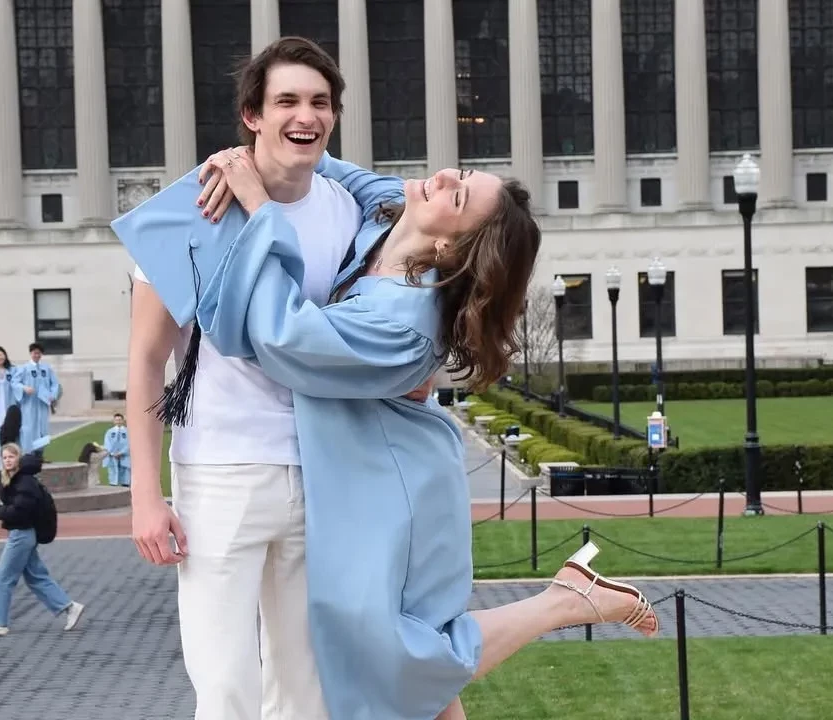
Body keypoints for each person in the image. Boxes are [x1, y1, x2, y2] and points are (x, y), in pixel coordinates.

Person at [117, 144, 660, 720]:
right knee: (385, 664)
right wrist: (253, 152)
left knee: (393, 653)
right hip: (351, 465)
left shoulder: (407, 321)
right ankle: (568, 596)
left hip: (390, 482)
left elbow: (283, 337)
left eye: (457, 194)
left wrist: (258, 205)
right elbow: (319, 158)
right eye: (461, 173)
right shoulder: (390, 212)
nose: (442, 175)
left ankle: (565, 602)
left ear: (451, 247)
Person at [121, 37, 363, 719]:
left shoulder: (345, 211)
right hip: (220, 473)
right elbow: (145, 358)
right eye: (287, 101)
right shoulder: (189, 209)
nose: (305, 116)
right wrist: (145, 495)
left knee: (307, 687)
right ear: (252, 116)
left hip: (320, 470)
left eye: (320, 102)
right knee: (226, 686)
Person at [0, 443, 85, 637]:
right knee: (36, 577)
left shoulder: (24, 481)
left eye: (11, 457)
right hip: (22, 534)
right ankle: (69, 607)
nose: (7, 460)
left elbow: (20, 510)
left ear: (18, 458)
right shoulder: (15, 479)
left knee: (2, 578)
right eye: (4, 457)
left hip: (22, 534)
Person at [17, 342, 59, 456]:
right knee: (29, 428)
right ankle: (29, 454)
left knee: (42, 428)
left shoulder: (46, 368)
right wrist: (24, 388)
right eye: (35, 353)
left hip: (42, 404)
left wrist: (52, 394)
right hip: (29, 404)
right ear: (31, 353)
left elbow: (55, 383)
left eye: (39, 353)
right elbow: (15, 382)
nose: (37, 355)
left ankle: (40, 455)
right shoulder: (24, 368)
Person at [101, 413, 131, 486]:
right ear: (114, 421)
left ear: (123, 420)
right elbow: (107, 443)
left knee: (125, 474)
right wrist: (112, 453)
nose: (118, 422)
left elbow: (129, 443)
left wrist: (121, 452)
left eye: (120, 420)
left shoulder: (128, 431)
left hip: (124, 456)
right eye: (116, 420)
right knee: (113, 472)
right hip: (112, 457)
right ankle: (113, 486)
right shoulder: (109, 432)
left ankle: (125, 486)